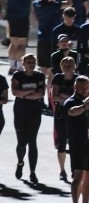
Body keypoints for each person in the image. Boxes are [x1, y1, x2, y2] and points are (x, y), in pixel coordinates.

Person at [11, 54, 46, 184]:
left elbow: (41, 93)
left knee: (32, 141)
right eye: (28, 61)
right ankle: (20, 162)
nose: (31, 63)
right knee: (21, 142)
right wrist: (30, 93)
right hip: (20, 111)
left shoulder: (40, 76)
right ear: (23, 63)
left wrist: (24, 94)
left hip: (34, 111)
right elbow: (15, 92)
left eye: (33, 61)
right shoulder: (17, 75)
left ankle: (32, 172)